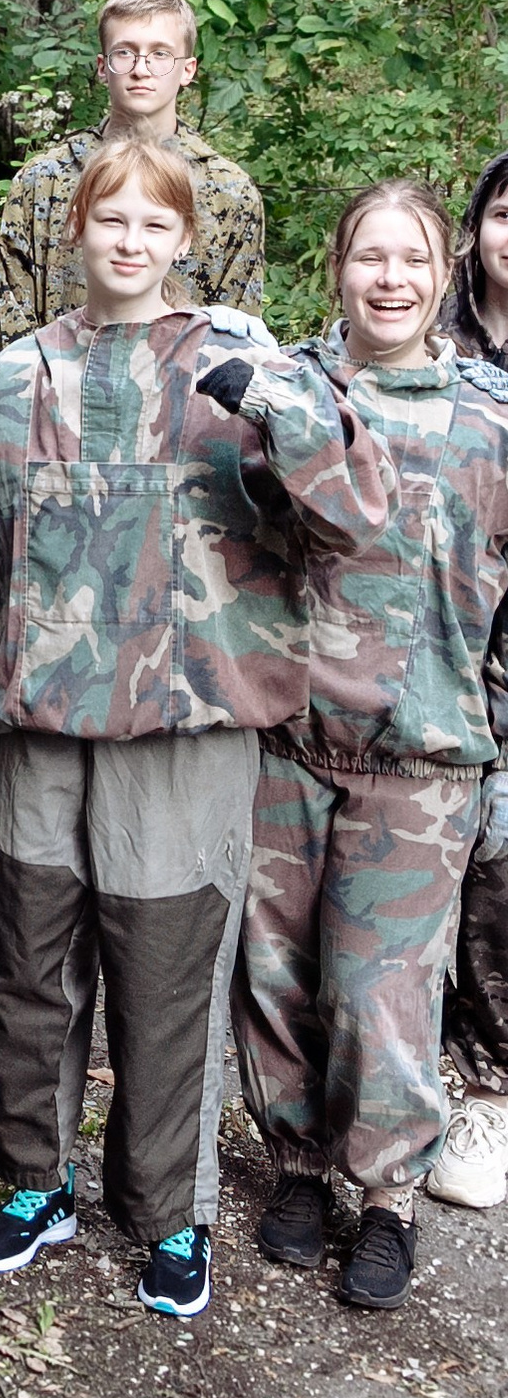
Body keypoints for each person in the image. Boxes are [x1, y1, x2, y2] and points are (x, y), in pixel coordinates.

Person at [0, 137, 390, 1320]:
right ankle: (34, 1180)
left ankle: (169, 1209)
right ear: (75, 229)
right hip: (45, 719)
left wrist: (285, 409)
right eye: (110, 219)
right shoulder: (22, 370)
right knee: (29, 962)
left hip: (186, 721)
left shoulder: (238, 363)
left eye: (155, 223)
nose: (130, 241)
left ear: (186, 238)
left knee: (165, 974)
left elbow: (357, 522)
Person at [232, 180, 508, 1307]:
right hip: (287, 744)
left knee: (381, 991)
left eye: (412, 259)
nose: (389, 280)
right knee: (276, 971)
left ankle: (387, 1194)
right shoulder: (282, 395)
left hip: (424, 759)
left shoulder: (491, 420)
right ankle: (298, 1165)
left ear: (445, 271)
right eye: (368, 257)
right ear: (336, 266)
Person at [0, 0, 270, 922]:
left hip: (169, 467)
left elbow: (235, 341)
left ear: (187, 68)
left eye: (159, 52)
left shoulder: (227, 190)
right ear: (102, 63)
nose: (140, 67)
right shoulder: (45, 184)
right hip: (55, 437)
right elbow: (11, 325)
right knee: (39, 650)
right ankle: (0, 848)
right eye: (124, 50)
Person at [433, 148, 508, 1211]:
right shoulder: (428, 343)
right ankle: (432, 1082)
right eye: (504, 213)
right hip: (433, 655)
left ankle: (491, 1086)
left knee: (500, 880)